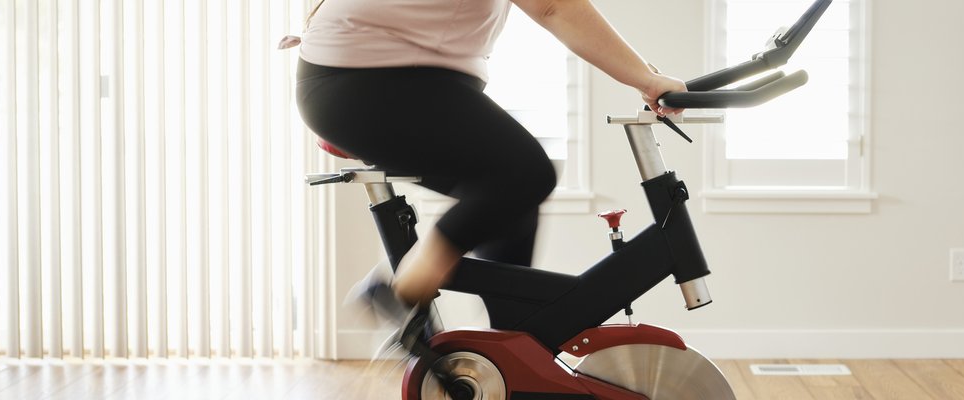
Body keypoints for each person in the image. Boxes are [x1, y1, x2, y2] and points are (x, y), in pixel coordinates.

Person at [294, 0, 686, 355]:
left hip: (394, 79)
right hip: (367, 81)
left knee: (512, 199)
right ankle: (401, 288)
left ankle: (508, 349)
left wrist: (643, 72)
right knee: (523, 172)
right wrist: (643, 79)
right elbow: (553, 7)